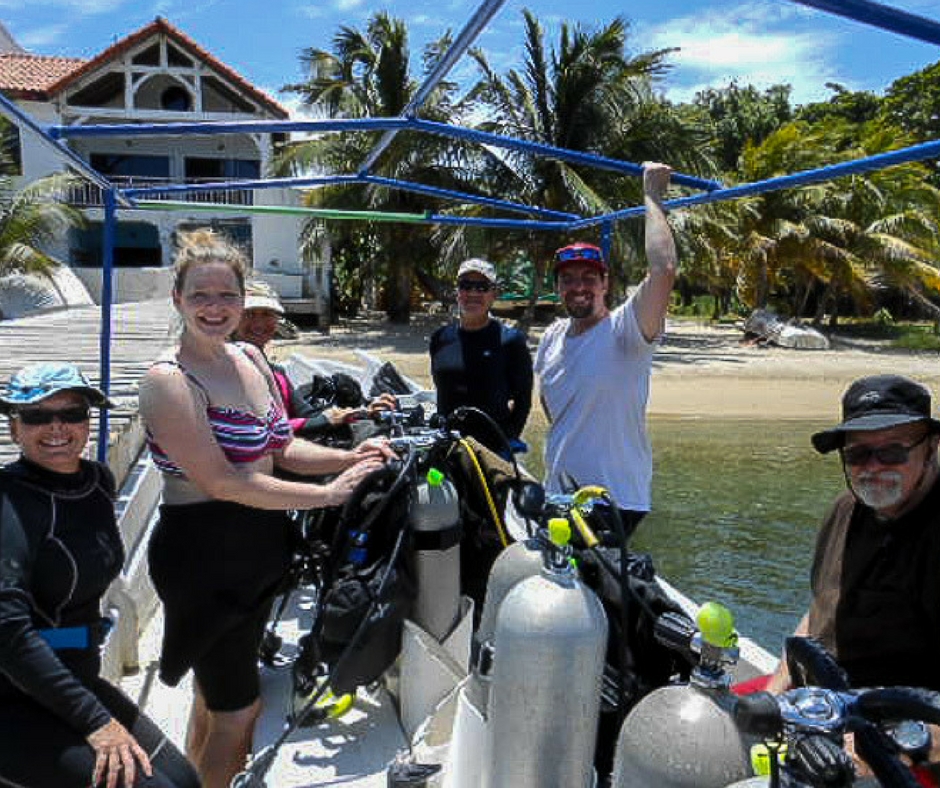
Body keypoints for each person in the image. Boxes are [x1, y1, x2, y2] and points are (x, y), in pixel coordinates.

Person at [138, 229, 391, 788]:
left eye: (226, 295)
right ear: (177, 299)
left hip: (258, 553)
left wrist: (349, 456)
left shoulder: (250, 357)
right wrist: (330, 494)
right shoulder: (168, 381)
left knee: (213, 692)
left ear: (242, 299)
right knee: (239, 711)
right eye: (200, 295)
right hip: (203, 559)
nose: (214, 308)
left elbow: (281, 449)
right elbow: (225, 481)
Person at [0, 362, 200, 788]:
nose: (56, 427)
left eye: (71, 413)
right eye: (36, 416)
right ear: (15, 430)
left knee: (184, 781)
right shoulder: (7, 503)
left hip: (73, 679)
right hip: (12, 695)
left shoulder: (96, 482)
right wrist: (98, 723)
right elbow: (7, 634)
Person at [766, 374, 940, 766]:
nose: (872, 468)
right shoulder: (845, 510)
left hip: (905, 743)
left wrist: (874, 751)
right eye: (858, 454)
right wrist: (775, 690)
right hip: (819, 713)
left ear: (930, 449)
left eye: (892, 452)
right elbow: (820, 611)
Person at [534, 162, 677, 535]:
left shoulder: (626, 330)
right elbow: (554, 408)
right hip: (560, 494)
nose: (578, 286)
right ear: (558, 287)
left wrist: (651, 194)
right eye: (568, 280)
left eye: (588, 278)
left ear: (604, 283)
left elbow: (663, 269)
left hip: (611, 501)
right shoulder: (552, 337)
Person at [233, 277, 396, 440]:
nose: (259, 323)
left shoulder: (276, 372)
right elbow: (258, 429)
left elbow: (306, 414)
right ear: (233, 318)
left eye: (267, 314)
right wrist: (328, 420)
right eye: (250, 314)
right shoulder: (228, 369)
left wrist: (363, 412)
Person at [429, 258, 533, 454]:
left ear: (493, 293)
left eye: (482, 287)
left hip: (492, 450)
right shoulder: (440, 338)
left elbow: (523, 400)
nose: (473, 293)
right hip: (447, 446)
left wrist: (508, 439)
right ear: (457, 292)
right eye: (466, 286)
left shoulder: (511, 341)